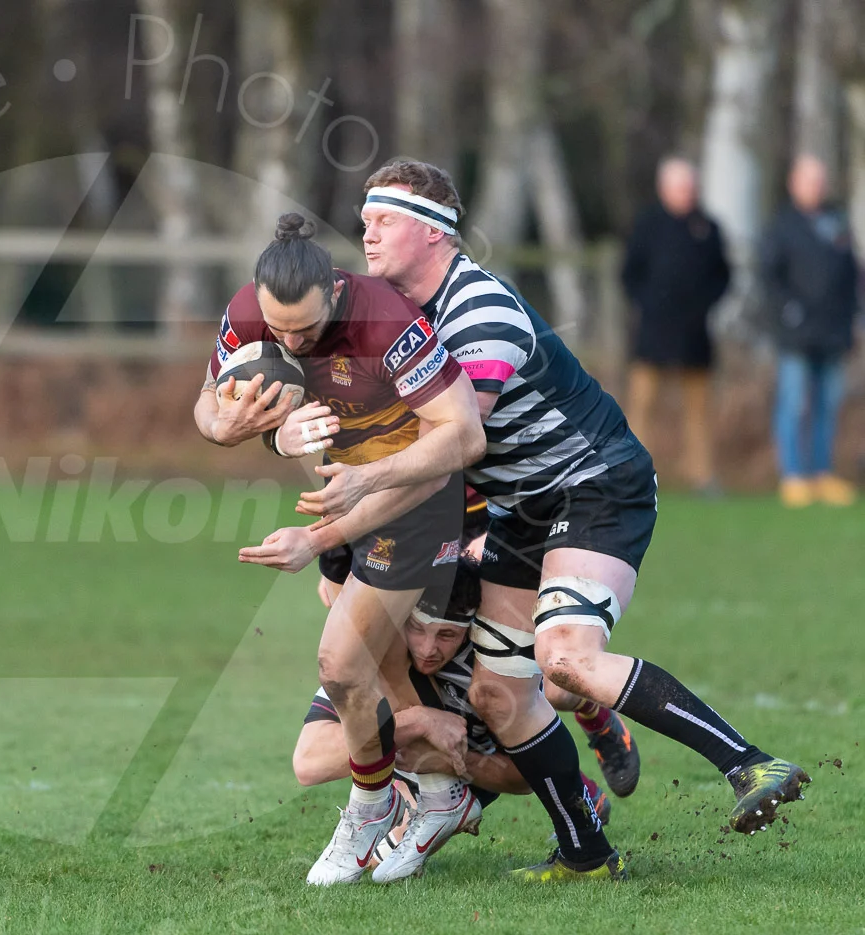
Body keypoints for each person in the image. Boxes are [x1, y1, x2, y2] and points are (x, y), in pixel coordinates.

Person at [297, 158, 810, 882]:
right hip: (524, 507)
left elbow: (448, 449)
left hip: (596, 486)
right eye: (364, 221)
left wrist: (340, 516)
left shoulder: (479, 311)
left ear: (433, 231)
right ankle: (587, 855)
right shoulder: (402, 317)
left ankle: (749, 764)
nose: (366, 233)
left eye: (383, 220)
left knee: (565, 657)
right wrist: (280, 421)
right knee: (496, 693)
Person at [193, 213, 485, 884]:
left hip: (413, 499)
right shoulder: (250, 313)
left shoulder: (385, 322)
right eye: (278, 329)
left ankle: (370, 807)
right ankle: (440, 794)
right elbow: (208, 403)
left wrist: (326, 528)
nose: (289, 342)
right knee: (374, 666)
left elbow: (464, 437)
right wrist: (233, 428)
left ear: (334, 291)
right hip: (344, 493)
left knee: (340, 661)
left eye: (304, 329)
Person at [296, 553, 625, 883]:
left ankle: (589, 714)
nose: (428, 649)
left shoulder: (487, 674)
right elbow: (310, 764)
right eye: (418, 629)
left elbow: (523, 779)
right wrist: (418, 722)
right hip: (408, 767)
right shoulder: (380, 655)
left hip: (467, 774)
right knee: (375, 862)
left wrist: (453, 762)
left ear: (468, 630)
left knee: (558, 687)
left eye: (446, 635)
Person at [620, 157, 731, 494]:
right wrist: (649, 304)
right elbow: (629, 274)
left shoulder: (707, 227)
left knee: (699, 407)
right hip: (653, 331)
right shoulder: (647, 225)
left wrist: (703, 305)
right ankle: (634, 475)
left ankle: (701, 475)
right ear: (664, 189)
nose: (687, 193)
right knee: (642, 403)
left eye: (690, 187)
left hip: (694, 332)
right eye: (680, 188)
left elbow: (723, 275)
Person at [761, 154, 860, 508]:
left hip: (833, 332)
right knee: (794, 403)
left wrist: (854, 316)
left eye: (820, 181)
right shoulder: (783, 226)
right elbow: (769, 276)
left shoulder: (836, 223)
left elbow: (851, 273)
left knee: (827, 405)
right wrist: (790, 311)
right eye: (809, 181)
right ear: (794, 184)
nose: (815, 188)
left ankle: (822, 473)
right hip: (797, 335)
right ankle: (793, 475)